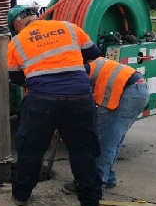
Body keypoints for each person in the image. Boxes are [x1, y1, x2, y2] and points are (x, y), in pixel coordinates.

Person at [6, 5, 103, 206]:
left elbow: (16, 79)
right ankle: (90, 202)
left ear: (17, 24)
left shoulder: (17, 42)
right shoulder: (68, 27)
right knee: (82, 149)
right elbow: (94, 53)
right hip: (79, 97)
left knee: (30, 149)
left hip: (42, 100)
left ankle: (21, 195)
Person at [62, 57, 149, 195]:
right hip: (138, 90)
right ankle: (108, 178)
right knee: (114, 140)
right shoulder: (96, 65)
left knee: (104, 142)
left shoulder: (81, 74)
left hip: (128, 93)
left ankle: (94, 185)